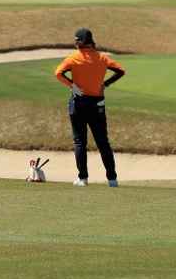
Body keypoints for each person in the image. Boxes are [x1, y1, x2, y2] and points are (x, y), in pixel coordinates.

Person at [54, 27, 126, 187]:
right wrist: (105, 84)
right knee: (103, 142)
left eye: (76, 40)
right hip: (97, 104)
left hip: (79, 103)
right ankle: (112, 180)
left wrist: (71, 85)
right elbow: (120, 71)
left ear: (81, 42)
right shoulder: (102, 58)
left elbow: (58, 73)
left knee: (80, 142)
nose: (75, 43)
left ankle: (83, 178)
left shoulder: (73, 58)